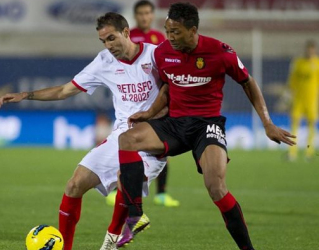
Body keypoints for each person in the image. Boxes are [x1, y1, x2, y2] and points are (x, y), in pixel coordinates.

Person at [115, 3, 296, 249]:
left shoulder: (221, 52)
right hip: (175, 124)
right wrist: (149, 112)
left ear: (193, 30)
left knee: (216, 187)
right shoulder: (162, 53)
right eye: (168, 31)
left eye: (176, 32)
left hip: (207, 125)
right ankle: (136, 215)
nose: (170, 37)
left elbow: (248, 83)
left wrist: (267, 123)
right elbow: (168, 87)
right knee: (126, 140)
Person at [0, 12, 167, 250]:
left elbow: (176, 87)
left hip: (152, 140)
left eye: (112, 38)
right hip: (121, 136)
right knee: (74, 184)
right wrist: (26, 95)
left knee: (125, 177)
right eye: (103, 41)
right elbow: (66, 90)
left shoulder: (156, 55)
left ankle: (111, 242)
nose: (108, 45)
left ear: (126, 32)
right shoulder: (104, 61)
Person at [105, 0, 179, 208]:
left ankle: (161, 193)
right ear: (136, 16)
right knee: (122, 146)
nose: (145, 17)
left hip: (153, 104)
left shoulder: (160, 39)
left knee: (160, 150)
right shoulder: (128, 37)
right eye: (141, 13)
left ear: (153, 15)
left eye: (148, 13)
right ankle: (115, 188)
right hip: (131, 104)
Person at [287, 40, 319, 161]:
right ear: (306, 50)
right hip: (298, 99)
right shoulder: (298, 63)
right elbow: (292, 81)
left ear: (314, 50)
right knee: (294, 124)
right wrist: (290, 96)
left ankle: (309, 152)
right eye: (308, 49)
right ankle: (292, 152)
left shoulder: (317, 64)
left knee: (312, 126)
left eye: (312, 49)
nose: (310, 52)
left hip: (312, 100)